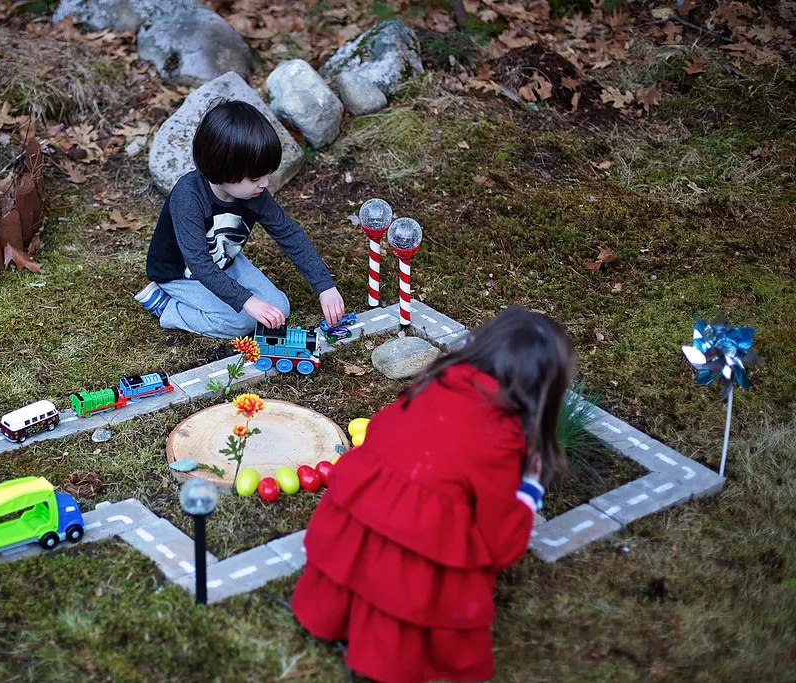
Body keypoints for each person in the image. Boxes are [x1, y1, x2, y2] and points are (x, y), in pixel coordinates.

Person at [291, 306, 576, 683]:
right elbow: (499, 544)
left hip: (354, 523)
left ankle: (335, 614)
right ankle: (386, 651)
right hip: (412, 558)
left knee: (368, 557)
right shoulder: (503, 440)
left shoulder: (439, 381)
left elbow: (381, 431)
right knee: (417, 580)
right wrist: (529, 489)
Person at [135, 99, 345, 338]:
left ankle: (232, 299)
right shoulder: (188, 197)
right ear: (222, 170)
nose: (264, 184)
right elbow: (199, 263)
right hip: (181, 274)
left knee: (279, 309)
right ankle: (166, 306)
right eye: (255, 178)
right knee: (241, 322)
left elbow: (288, 233)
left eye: (266, 175)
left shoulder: (255, 195)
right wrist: (246, 300)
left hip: (226, 260)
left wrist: (324, 286)